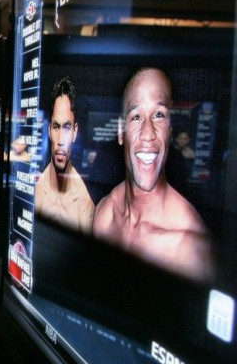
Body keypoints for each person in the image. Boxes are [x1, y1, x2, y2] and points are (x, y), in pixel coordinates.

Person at [92, 67, 215, 283]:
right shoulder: (105, 212)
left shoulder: (190, 248)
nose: (148, 133)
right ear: (121, 132)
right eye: (136, 116)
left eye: (159, 115)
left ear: (170, 130)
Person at [34, 76, 95, 235]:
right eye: (56, 127)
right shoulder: (35, 191)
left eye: (67, 128)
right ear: (49, 130)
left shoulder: (84, 204)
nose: (61, 140)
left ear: (75, 132)